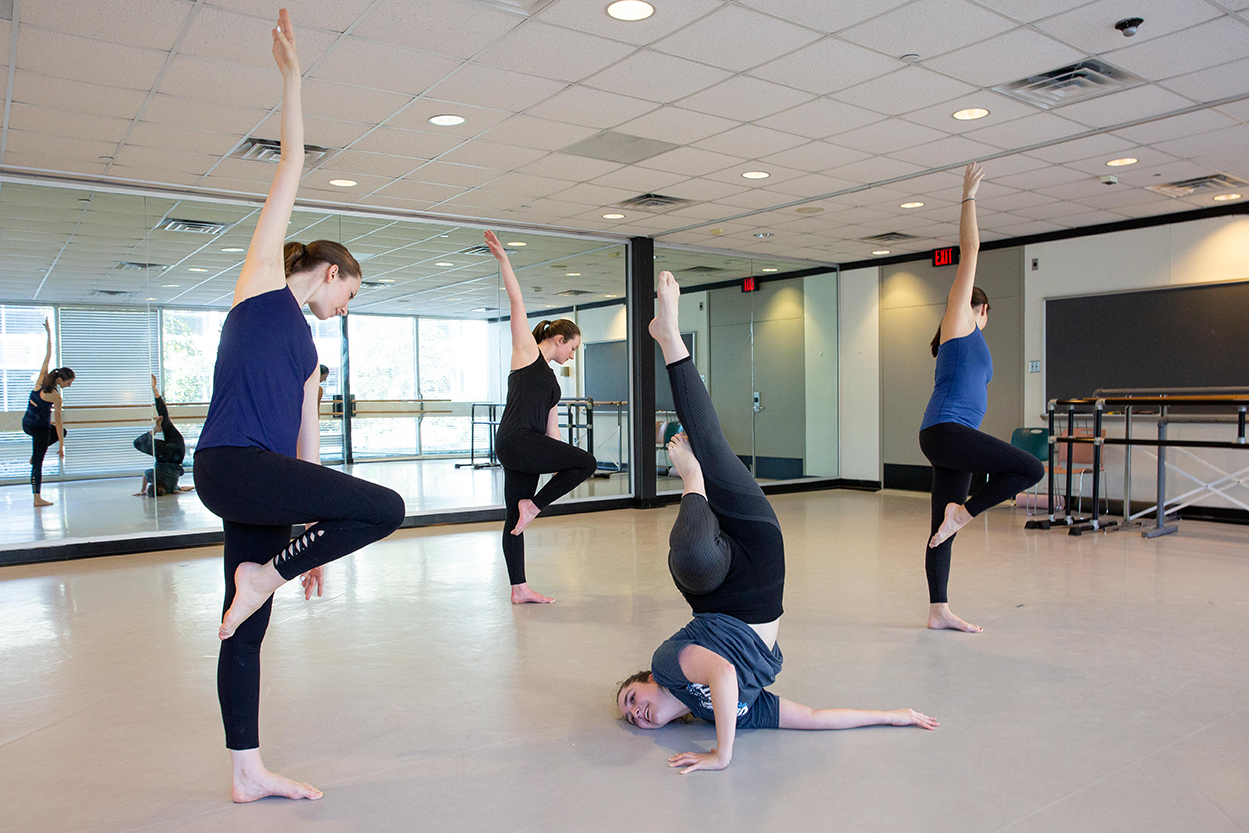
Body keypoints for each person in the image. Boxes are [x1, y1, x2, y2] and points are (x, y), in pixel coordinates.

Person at [191, 9, 404, 803]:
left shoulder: (311, 352)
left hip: (263, 475)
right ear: (327, 270)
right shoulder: (258, 290)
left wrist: (300, 551)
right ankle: (262, 579)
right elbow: (288, 168)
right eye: (350, 291)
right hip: (231, 464)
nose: (347, 305)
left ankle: (246, 770)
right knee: (386, 505)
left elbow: (306, 445)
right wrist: (292, 78)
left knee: (244, 617)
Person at [616, 272, 938, 774]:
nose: (636, 711)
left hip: (713, 592)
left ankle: (690, 466)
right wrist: (889, 716)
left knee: (696, 552)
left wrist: (722, 754)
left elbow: (722, 670)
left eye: (631, 698)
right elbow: (809, 716)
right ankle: (694, 463)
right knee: (712, 465)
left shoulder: (668, 667)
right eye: (633, 716)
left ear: (647, 680)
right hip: (757, 564)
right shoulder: (730, 714)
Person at [919, 163, 1045, 633]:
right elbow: (969, 249)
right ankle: (964, 513)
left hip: (954, 436)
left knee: (940, 528)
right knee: (1031, 468)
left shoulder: (970, 338)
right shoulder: (960, 321)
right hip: (946, 431)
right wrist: (968, 195)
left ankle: (938, 610)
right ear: (982, 309)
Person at [485, 229, 597, 605]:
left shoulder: (552, 382)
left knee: (513, 518)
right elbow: (517, 303)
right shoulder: (526, 353)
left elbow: (552, 431)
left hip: (528, 446)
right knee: (588, 462)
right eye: (573, 347)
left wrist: (561, 464)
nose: (573, 355)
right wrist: (504, 260)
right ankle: (533, 507)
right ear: (560, 338)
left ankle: (519, 588)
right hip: (517, 440)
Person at [22, 319, 74, 507]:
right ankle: (37, 498)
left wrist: (50, 334)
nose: (69, 385)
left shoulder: (41, 380)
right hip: (39, 429)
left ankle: (37, 453)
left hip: (26, 424)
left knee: (60, 433)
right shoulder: (55, 397)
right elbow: (58, 423)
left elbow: (48, 355)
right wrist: (61, 446)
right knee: (38, 462)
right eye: (69, 382)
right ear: (61, 379)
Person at [133, 374, 194, 496]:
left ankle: (157, 426)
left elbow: (182, 488)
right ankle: (155, 429)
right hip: (162, 456)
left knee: (166, 420)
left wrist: (193, 487)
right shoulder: (153, 478)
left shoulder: (171, 488)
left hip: (176, 453)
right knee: (138, 443)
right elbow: (145, 475)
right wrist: (142, 490)